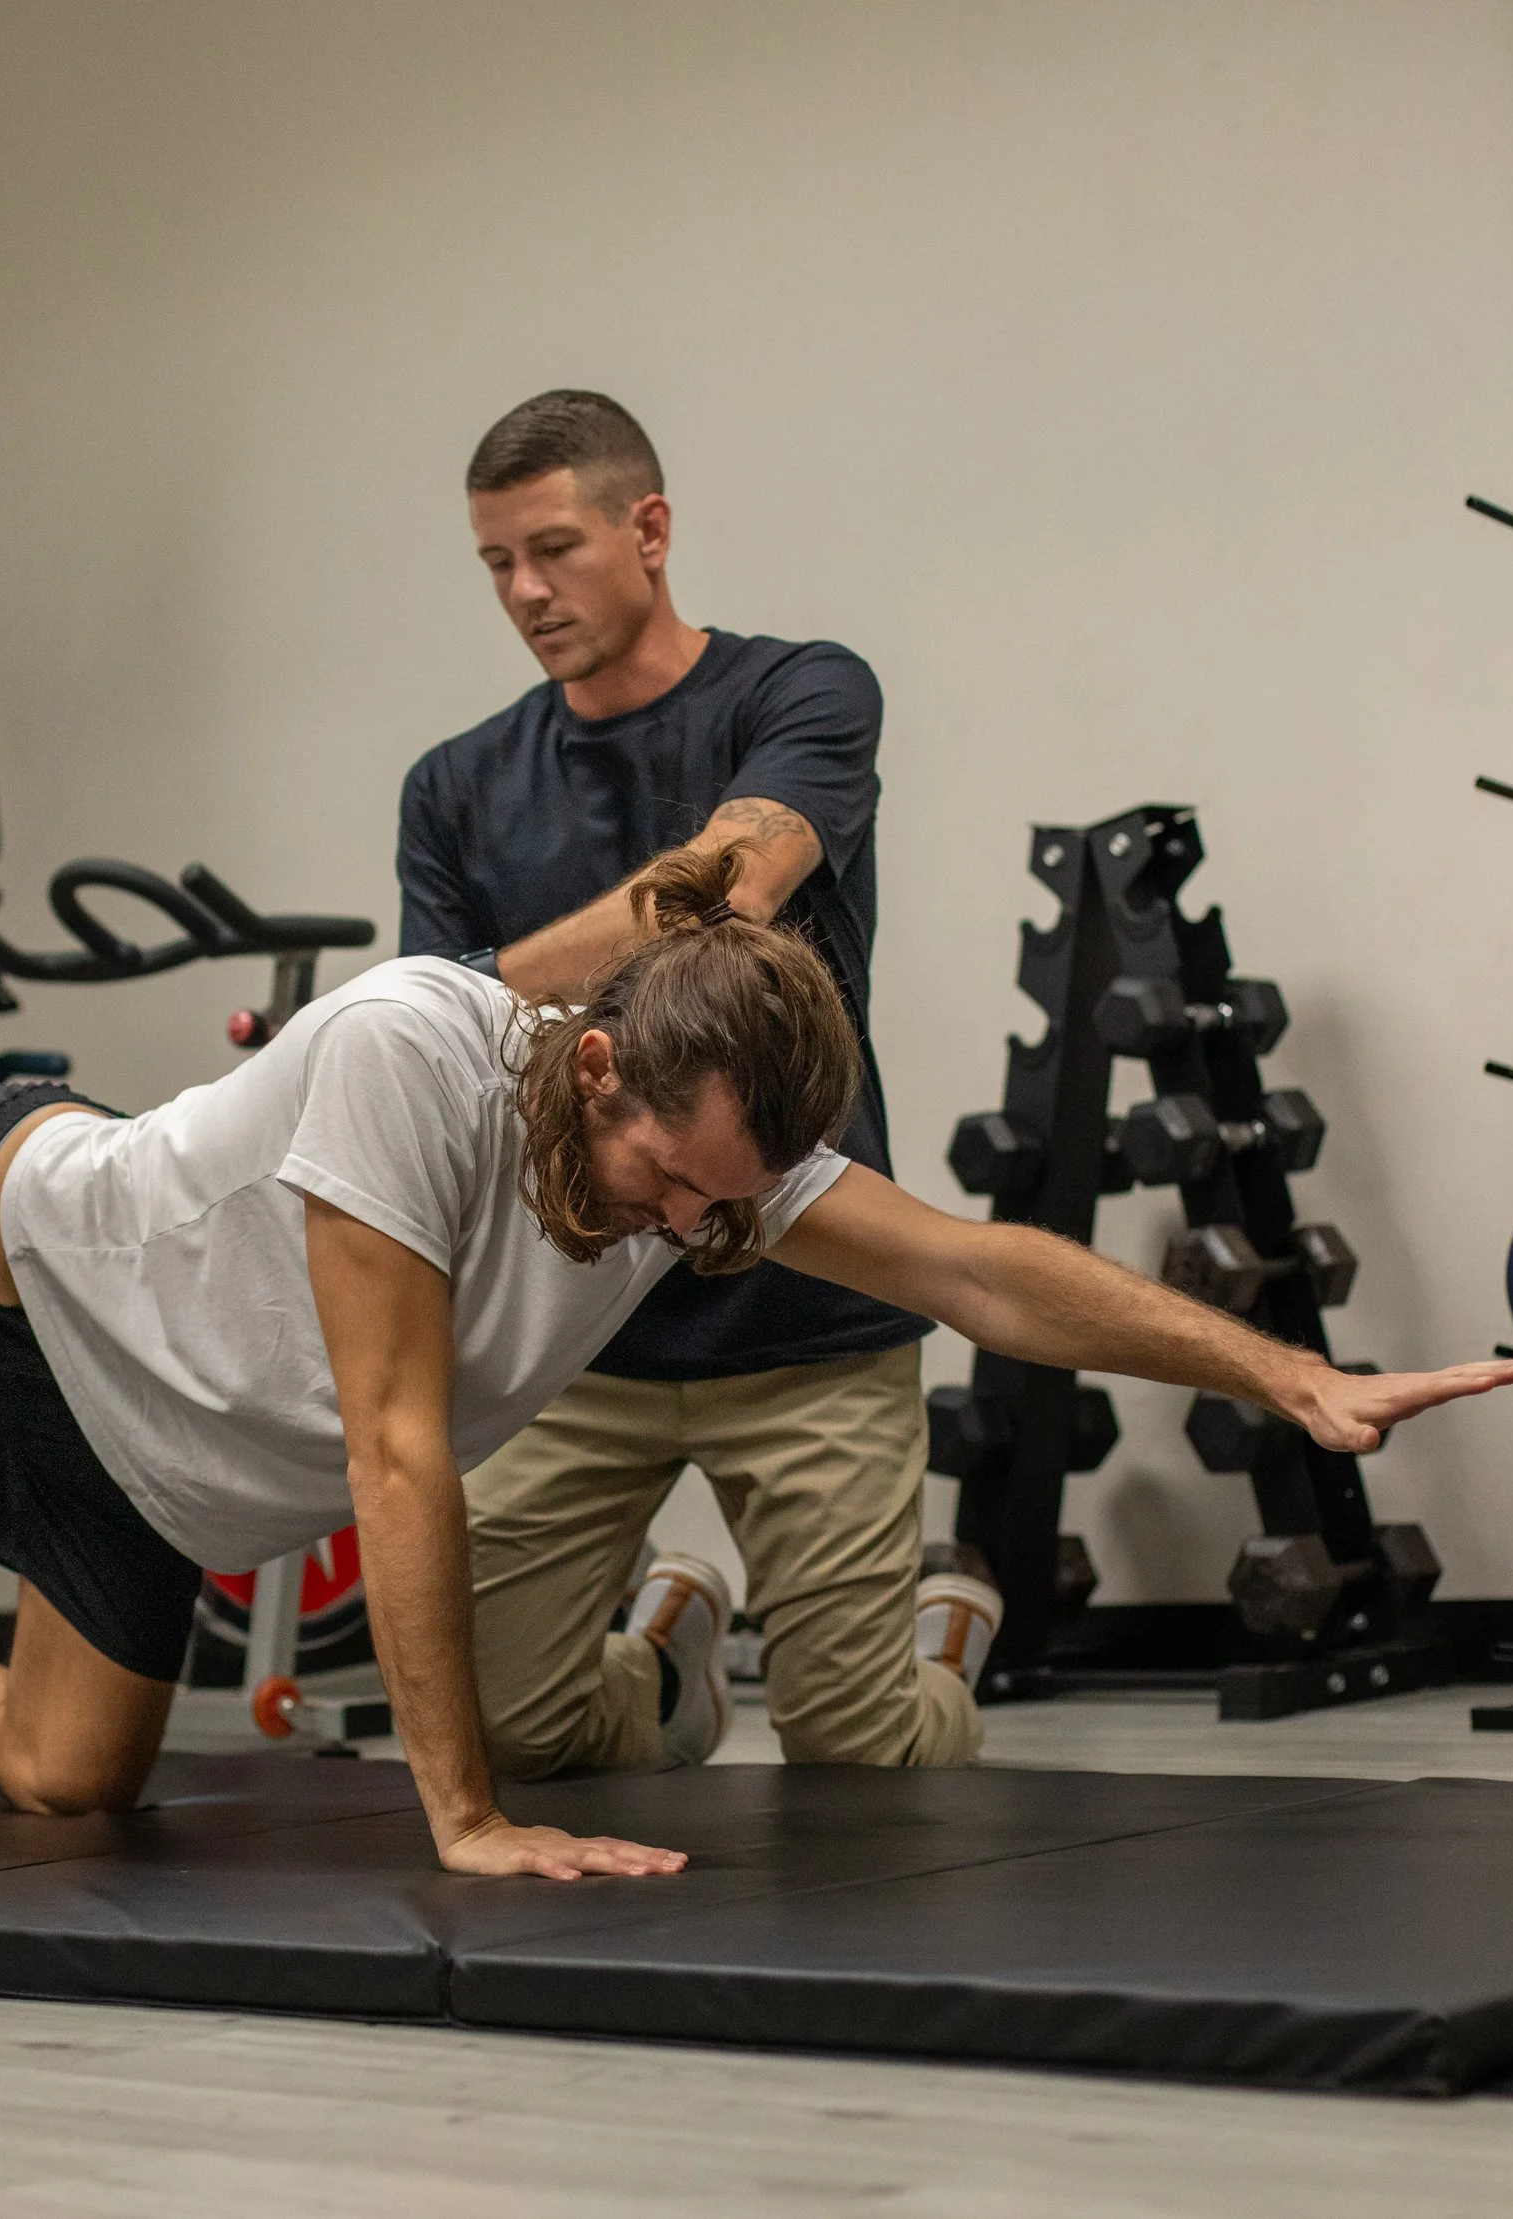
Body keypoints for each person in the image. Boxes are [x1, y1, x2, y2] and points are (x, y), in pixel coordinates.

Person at [0, 851, 1513, 1882]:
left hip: (140, 1461)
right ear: (604, 1057)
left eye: (720, 1203)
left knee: (63, 1779)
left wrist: (1280, 1379)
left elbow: (989, 1270)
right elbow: (398, 1440)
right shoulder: (420, 1051)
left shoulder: (709, 1161)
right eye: (657, 1168)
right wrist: (462, 1810)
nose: (677, 1224)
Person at [399, 388, 955, 1777]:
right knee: (510, 1731)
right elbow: (440, 1041)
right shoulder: (455, 786)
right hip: (576, 1334)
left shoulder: (802, 692)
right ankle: (663, 1666)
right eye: (496, 564)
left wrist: (501, 977)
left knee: (854, 1752)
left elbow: (730, 890)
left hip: (810, 1308)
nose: (526, 591)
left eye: (555, 548)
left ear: (648, 529)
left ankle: (940, 1650)